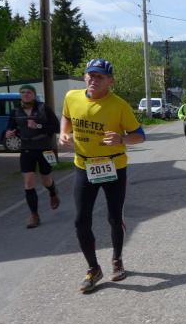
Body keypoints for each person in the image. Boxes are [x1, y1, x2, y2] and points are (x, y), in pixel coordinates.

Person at [59, 58, 146, 293]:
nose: (93, 79)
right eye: (90, 75)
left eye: (99, 76)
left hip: (113, 166)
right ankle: (93, 268)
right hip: (84, 166)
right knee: (80, 220)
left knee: (114, 218)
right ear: (84, 77)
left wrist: (122, 139)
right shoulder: (71, 97)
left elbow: (140, 135)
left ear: (110, 81)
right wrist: (63, 133)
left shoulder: (119, 105)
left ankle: (117, 259)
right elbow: (66, 116)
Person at [5, 84, 61, 228]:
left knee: (46, 180)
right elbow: (10, 128)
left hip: (44, 149)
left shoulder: (43, 108)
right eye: (23, 92)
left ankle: (53, 192)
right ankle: (34, 215)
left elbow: (56, 127)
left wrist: (38, 126)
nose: (25, 95)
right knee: (29, 182)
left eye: (29, 92)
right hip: (26, 150)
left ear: (34, 95)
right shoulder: (15, 111)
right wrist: (9, 133)